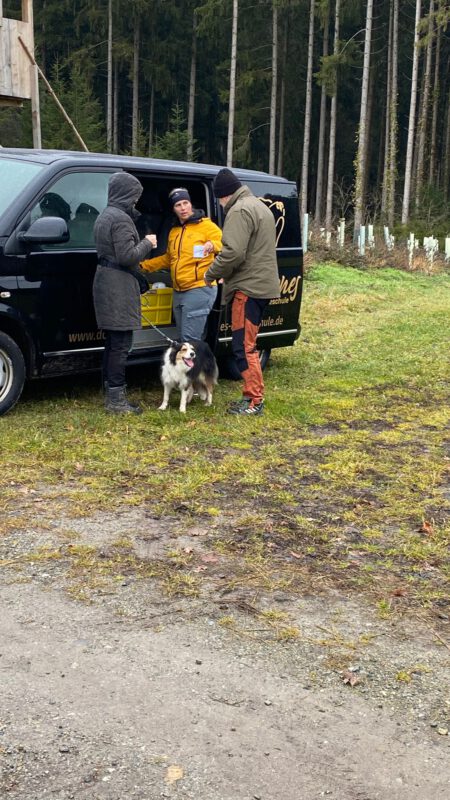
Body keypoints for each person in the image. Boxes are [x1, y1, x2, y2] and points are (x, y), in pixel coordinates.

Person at [204, 168, 280, 416]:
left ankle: (254, 402)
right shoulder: (259, 206)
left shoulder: (238, 210)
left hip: (247, 288)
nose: (221, 204)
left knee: (243, 347)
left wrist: (211, 273)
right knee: (246, 344)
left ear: (223, 195)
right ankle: (250, 397)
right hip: (261, 285)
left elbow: (233, 252)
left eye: (219, 199)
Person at [93, 172, 157, 414]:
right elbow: (126, 256)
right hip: (117, 287)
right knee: (121, 344)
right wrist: (147, 243)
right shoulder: (120, 219)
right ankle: (116, 401)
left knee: (112, 342)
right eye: (135, 196)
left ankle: (110, 392)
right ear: (127, 194)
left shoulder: (104, 215)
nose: (136, 201)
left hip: (106, 282)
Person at [140, 187, 222, 342]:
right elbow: (168, 259)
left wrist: (212, 245)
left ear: (191, 204)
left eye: (186, 203)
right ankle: (196, 365)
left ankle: (197, 366)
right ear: (173, 208)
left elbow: (224, 244)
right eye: (178, 205)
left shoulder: (207, 226)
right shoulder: (175, 231)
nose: (183, 208)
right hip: (178, 291)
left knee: (189, 340)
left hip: (199, 288)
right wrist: (142, 266)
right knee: (183, 338)